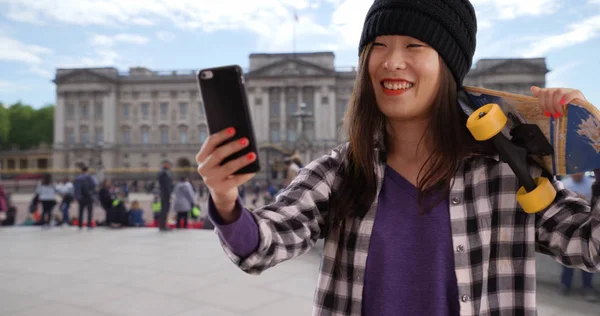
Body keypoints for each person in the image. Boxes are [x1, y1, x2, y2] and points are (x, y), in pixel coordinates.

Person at [196, 0, 600, 315]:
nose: (391, 61)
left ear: (448, 66)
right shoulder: (339, 172)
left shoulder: (508, 174)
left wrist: (594, 141)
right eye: (379, 46)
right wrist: (226, 199)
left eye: (414, 46)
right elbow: (261, 246)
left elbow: (590, 248)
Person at [558, 172, 597, 301]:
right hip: (569, 229)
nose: (577, 174)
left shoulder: (591, 183)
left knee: (587, 259)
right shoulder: (564, 184)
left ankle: (587, 287)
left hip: (587, 228)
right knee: (567, 260)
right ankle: (565, 284)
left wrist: (583, 200)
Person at [73, 165, 96, 230]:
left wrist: (77, 196)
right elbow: (94, 185)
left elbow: (76, 188)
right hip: (89, 196)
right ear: (87, 170)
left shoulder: (78, 178)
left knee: (80, 211)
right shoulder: (90, 177)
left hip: (81, 197)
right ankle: (89, 225)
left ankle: (80, 225)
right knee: (89, 211)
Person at [157, 159, 173, 231]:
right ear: (165, 164)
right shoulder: (163, 172)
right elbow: (165, 185)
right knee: (164, 210)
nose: (170, 166)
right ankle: (162, 226)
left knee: (165, 210)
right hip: (165, 193)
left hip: (166, 193)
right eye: (169, 164)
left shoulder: (165, 172)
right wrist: (168, 194)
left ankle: (163, 225)